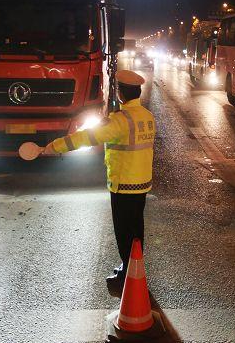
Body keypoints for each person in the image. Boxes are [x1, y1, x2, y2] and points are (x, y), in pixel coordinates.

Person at [43, 70, 155, 289]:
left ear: (121, 93)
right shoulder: (146, 116)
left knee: (124, 232)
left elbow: (85, 137)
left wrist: (53, 147)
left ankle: (127, 275)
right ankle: (132, 267)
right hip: (142, 183)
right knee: (136, 229)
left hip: (123, 185)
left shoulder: (120, 121)